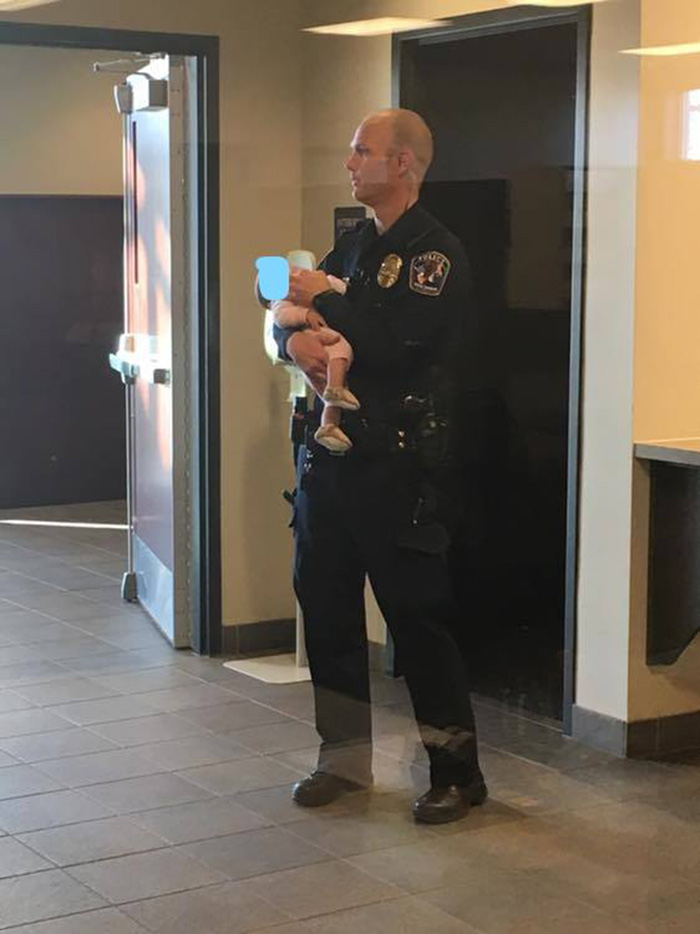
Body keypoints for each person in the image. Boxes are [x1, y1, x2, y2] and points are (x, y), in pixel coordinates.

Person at [275, 108, 487, 825]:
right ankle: (342, 759)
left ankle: (456, 773)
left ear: (405, 165)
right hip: (330, 461)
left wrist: (328, 298)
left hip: (398, 467)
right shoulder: (356, 242)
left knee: (417, 623)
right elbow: (301, 321)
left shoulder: (437, 255)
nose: (350, 163)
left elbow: (397, 343)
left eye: (363, 151)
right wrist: (292, 346)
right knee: (327, 611)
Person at [259, 263, 360, 453]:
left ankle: (331, 418)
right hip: (319, 350)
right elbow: (280, 323)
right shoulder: (348, 248)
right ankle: (329, 425)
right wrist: (291, 341)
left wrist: (326, 297)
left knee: (340, 350)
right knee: (328, 394)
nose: (296, 275)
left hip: (383, 417)